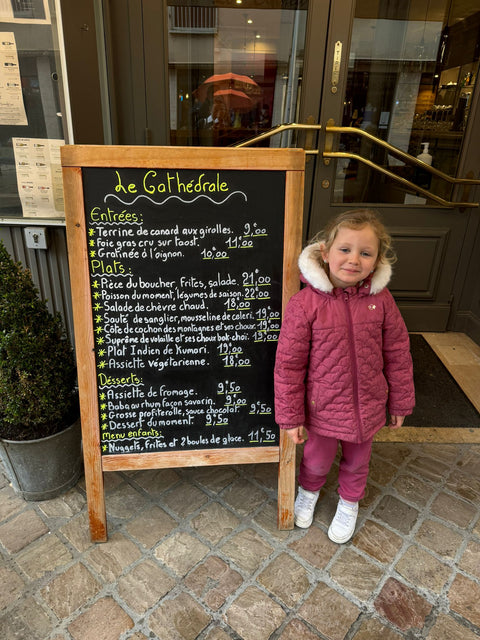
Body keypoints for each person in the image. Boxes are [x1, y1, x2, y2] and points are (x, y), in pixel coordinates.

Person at [274, 209, 415, 543]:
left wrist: (400, 401)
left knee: (357, 461)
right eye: (345, 250)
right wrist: (291, 415)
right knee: (316, 460)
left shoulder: (381, 302)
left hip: (368, 405)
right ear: (325, 253)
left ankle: (349, 502)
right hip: (322, 407)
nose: (354, 260)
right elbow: (289, 365)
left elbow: (398, 353)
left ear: (377, 259)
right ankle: (309, 491)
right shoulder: (305, 304)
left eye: (365, 253)